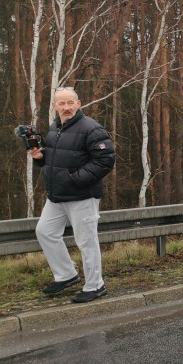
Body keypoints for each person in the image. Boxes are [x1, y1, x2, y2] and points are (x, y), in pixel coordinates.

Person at [29, 86, 115, 303]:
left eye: (70, 103)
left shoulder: (91, 129)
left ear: (78, 104)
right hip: (58, 195)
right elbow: (62, 157)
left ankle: (96, 286)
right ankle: (67, 275)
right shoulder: (56, 126)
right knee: (45, 232)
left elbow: (105, 160)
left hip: (83, 195)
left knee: (86, 241)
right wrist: (41, 156)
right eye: (61, 103)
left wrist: (75, 179)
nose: (66, 107)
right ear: (54, 106)